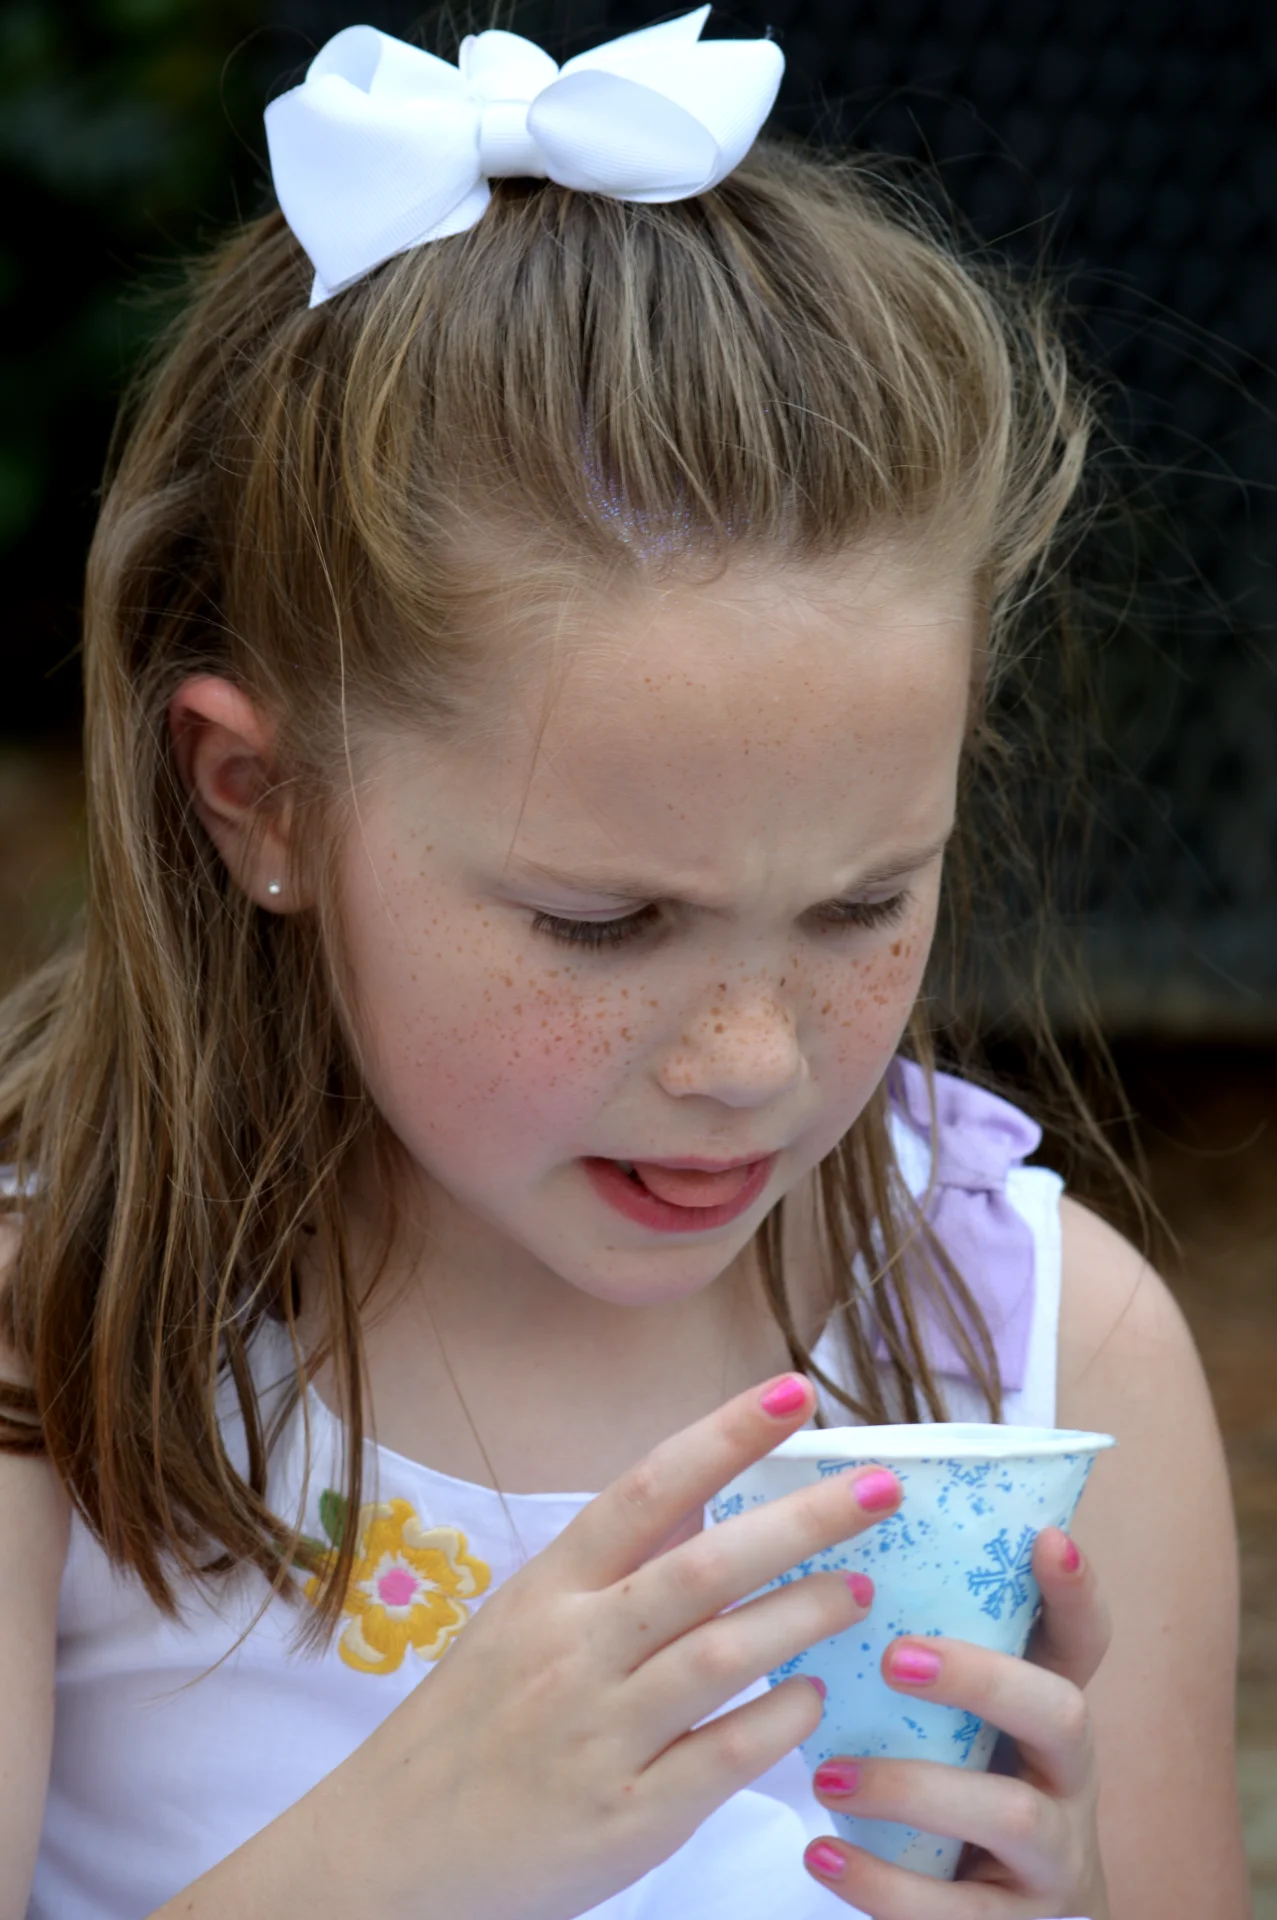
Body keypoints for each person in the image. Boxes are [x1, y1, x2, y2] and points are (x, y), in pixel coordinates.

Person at [0, 11, 1249, 1919]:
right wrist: (396, 1861)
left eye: (862, 905)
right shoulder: (56, 1351)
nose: (753, 1058)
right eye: (605, 924)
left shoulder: (1047, 1353)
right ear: (258, 801)